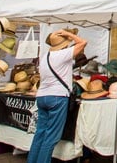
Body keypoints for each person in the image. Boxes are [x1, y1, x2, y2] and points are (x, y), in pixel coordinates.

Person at [27, 29, 86, 163]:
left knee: (40, 134)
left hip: (42, 96)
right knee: (51, 137)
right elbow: (83, 43)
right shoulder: (62, 55)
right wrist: (68, 34)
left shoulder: (45, 57)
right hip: (57, 97)